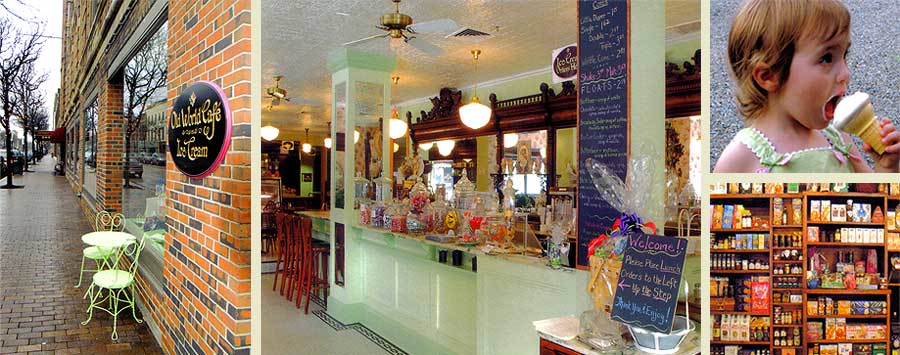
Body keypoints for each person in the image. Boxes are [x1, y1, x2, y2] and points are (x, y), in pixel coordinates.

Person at [714, 0, 898, 173]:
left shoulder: (837, 138)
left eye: (845, 55)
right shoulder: (739, 158)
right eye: (826, 58)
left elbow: (874, 196)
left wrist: (887, 168)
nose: (845, 74)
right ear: (769, 76)